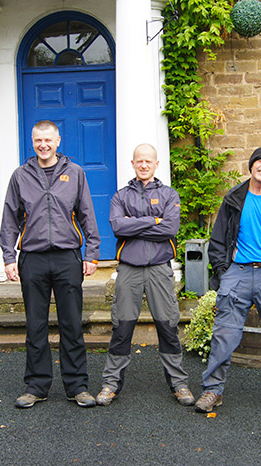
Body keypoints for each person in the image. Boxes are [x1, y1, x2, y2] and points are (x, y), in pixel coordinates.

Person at [194, 146, 261, 413]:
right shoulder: (233, 200)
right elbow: (218, 241)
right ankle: (213, 391)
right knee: (224, 334)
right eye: (260, 161)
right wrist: (224, 272)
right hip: (238, 272)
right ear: (251, 165)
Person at [0, 120, 100, 409]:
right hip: (32, 258)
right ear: (32, 142)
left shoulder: (75, 173)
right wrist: (8, 256)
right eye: (37, 140)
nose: (43, 145)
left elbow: (87, 214)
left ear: (58, 141)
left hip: (67, 257)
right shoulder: (20, 175)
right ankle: (36, 385)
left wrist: (92, 254)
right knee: (36, 325)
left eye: (48, 140)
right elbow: (9, 218)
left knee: (71, 324)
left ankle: (77, 386)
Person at [95, 144, 194, 407]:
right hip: (128, 269)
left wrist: (135, 223)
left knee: (168, 325)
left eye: (148, 161)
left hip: (159, 269)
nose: (143, 165)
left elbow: (170, 228)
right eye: (139, 161)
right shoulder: (120, 196)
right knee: (122, 326)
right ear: (133, 163)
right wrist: (154, 221)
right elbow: (118, 226)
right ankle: (111, 383)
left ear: (156, 163)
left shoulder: (168, 194)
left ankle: (178, 382)